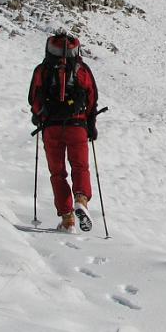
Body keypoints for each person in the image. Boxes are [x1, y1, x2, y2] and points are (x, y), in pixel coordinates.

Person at [28, 32, 99, 233]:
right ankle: (81, 199)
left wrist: (38, 116)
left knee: (57, 173)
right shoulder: (81, 70)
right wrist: (91, 125)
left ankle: (68, 220)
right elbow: (92, 98)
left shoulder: (43, 70)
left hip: (51, 127)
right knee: (80, 166)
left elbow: (33, 98)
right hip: (77, 126)